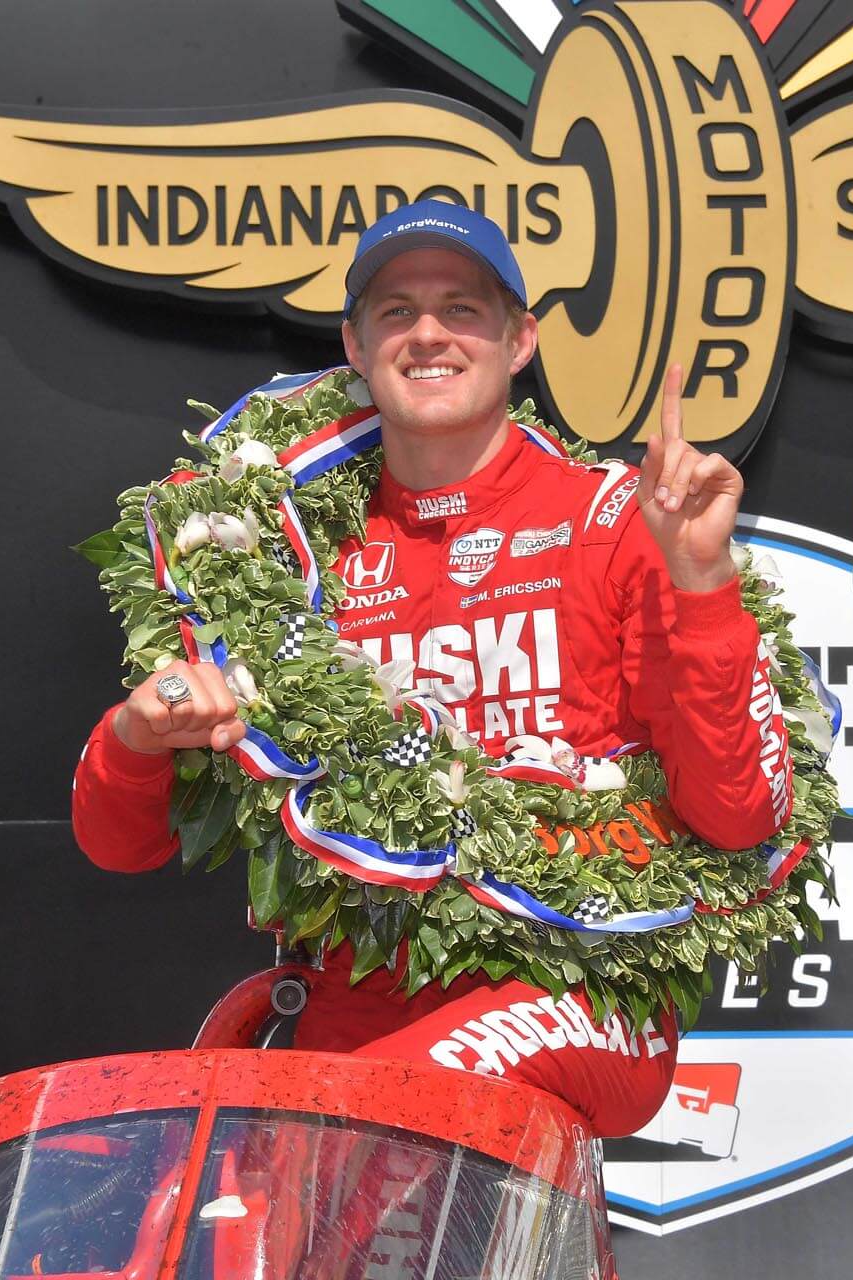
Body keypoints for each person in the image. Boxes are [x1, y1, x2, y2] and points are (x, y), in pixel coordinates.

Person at [71, 200, 793, 1139]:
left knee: (370, 1131)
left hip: (577, 989)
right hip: (353, 1002)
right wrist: (136, 736)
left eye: (462, 310)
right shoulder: (287, 554)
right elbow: (119, 844)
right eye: (396, 312)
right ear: (355, 345)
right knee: (208, 1203)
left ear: (521, 340)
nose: (427, 335)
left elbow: (738, 815)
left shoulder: (616, 523)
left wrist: (699, 583)